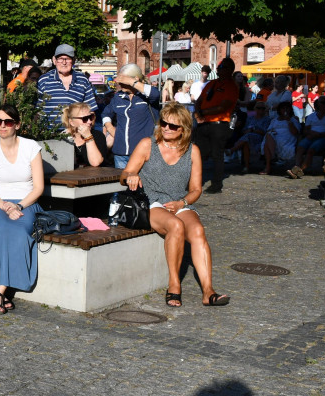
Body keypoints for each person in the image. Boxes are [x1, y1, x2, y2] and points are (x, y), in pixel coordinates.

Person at [121, 103, 229, 308]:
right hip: (151, 202)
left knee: (197, 230)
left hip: (178, 202)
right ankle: (174, 285)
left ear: (184, 130)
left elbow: (196, 189)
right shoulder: (147, 144)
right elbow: (123, 174)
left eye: (173, 126)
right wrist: (131, 175)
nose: (167, 128)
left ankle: (208, 291)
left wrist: (183, 202)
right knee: (176, 226)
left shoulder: (192, 151)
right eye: (164, 123)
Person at [0, 103, 45, 313]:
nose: (3, 126)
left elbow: (38, 187)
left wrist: (19, 205)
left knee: (18, 229)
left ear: (17, 124)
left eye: (8, 122)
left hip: (26, 203)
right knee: (0, 229)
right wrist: (7, 207)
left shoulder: (31, 147)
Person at [101, 63, 160, 169]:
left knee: (143, 184)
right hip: (120, 153)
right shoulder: (118, 97)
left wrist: (132, 82)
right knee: (122, 185)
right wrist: (110, 128)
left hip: (143, 152)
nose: (120, 83)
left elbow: (155, 94)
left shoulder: (146, 96)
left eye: (123, 80)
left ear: (135, 79)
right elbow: (106, 113)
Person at [193, 59, 238, 193]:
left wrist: (203, 112)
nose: (218, 70)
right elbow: (199, 100)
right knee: (198, 154)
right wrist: (197, 112)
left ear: (229, 69)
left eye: (222, 67)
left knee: (217, 155)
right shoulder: (211, 83)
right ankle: (195, 182)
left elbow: (223, 107)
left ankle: (216, 184)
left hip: (219, 124)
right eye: (218, 67)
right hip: (204, 123)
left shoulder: (231, 86)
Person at [37, 44, 97, 128]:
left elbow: (91, 111)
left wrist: (87, 132)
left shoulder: (82, 80)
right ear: (54, 60)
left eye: (68, 59)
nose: (64, 62)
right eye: (60, 59)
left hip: (76, 134)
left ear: (74, 60)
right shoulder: (44, 80)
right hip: (48, 136)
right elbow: (37, 111)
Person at [288, 96, 325, 178]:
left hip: (324, 138)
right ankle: (296, 166)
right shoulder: (311, 116)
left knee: (311, 149)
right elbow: (305, 130)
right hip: (311, 136)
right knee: (300, 147)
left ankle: (300, 170)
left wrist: (319, 134)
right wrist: (311, 134)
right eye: (323, 103)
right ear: (318, 104)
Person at [63, 101, 111, 168]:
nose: (89, 121)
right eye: (84, 119)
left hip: (96, 177)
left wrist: (88, 137)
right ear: (72, 122)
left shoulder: (97, 135)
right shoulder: (64, 139)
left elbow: (96, 162)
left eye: (91, 117)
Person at [227, 101, 270, 173]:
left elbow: (265, 132)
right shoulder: (250, 118)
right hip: (247, 138)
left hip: (260, 138)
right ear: (255, 109)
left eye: (263, 108)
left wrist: (253, 130)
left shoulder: (267, 119)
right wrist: (248, 131)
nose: (260, 110)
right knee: (246, 141)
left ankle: (232, 150)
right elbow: (244, 129)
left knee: (248, 136)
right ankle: (246, 167)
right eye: (258, 108)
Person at [260, 102, 301, 175]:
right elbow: (269, 130)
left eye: (287, 108)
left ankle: (269, 165)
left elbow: (295, 132)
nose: (285, 110)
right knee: (268, 137)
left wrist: (289, 121)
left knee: (267, 144)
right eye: (283, 108)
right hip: (275, 137)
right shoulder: (274, 120)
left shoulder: (293, 120)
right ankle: (272, 158)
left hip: (287, 138)